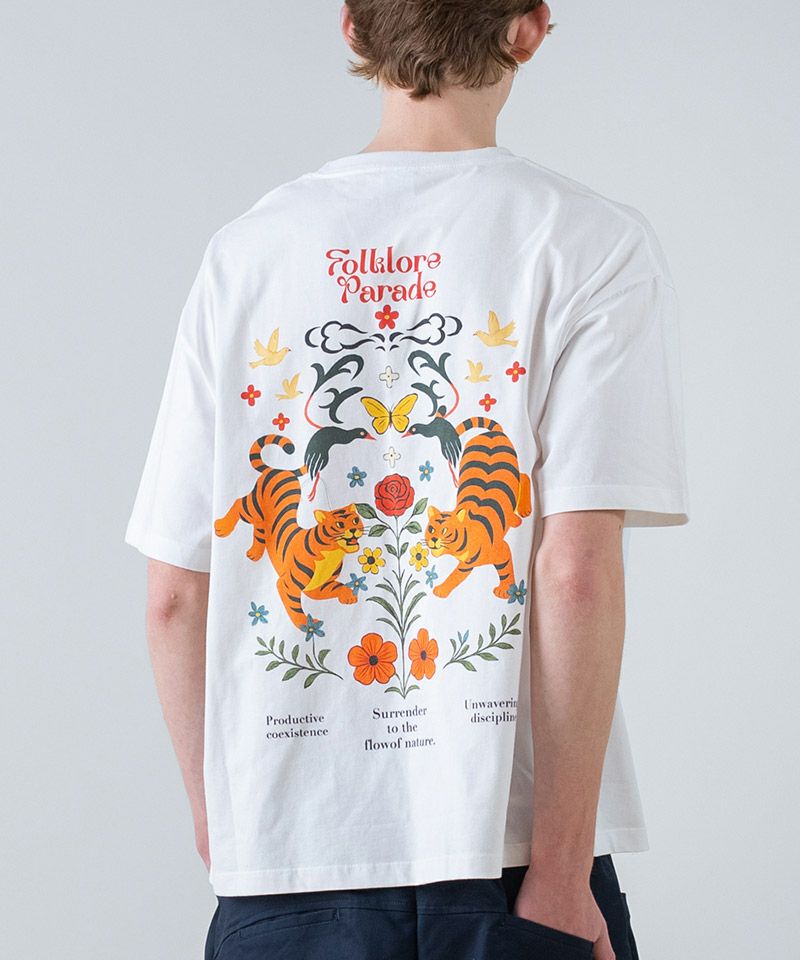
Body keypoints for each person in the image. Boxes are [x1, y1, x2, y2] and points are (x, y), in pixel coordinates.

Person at [125, 2, 689, 958]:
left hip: (286, 868)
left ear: (352, 27)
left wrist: (226, 828)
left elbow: (175, 595)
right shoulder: (588, 242)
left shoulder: (248, 253)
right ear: (529, 27)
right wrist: (561, 875)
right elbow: (574, 573)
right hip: (515, 865)